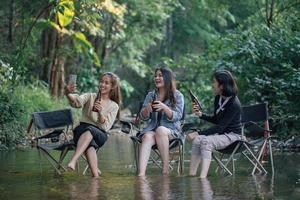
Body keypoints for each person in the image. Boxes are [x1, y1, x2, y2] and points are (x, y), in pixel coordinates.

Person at [65, 72, 121, 177]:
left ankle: (74, 160)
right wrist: (68, 93)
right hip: (81, 131)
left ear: (112, 86)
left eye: (106, 83)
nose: (102, 84)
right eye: (101, 82)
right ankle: (96, 177)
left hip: (100, 133)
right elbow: (77, 102)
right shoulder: (90, 96)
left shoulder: (114, 106)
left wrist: (100, 113)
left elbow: (105, 127)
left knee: (90, 130)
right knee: (90, 144)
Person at [189, 70, 242, 178]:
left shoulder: (234, 103)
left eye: (214, 82)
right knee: (197, 140)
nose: (212, 85)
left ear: (221, 86)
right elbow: (217, 120)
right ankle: (191, 176)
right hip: (222, 135)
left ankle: (202, 178)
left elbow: (220, 127)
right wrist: (200, 114)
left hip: (233, 136)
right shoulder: (218, 98)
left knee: (205, 141)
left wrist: (198, 133)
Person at [138, 67, 184, 176]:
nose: (157, 78)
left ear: (167, 78)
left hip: (171, 131)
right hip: (152, 129)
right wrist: (146, 110)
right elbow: (142, 117)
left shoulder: (177, 95)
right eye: (155, 76)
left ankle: (165, 169)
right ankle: (141, 174)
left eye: (160, 75)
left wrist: (164, 107)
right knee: (147, 136)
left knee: (161, 130)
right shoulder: (151, 95)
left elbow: (178, 116)